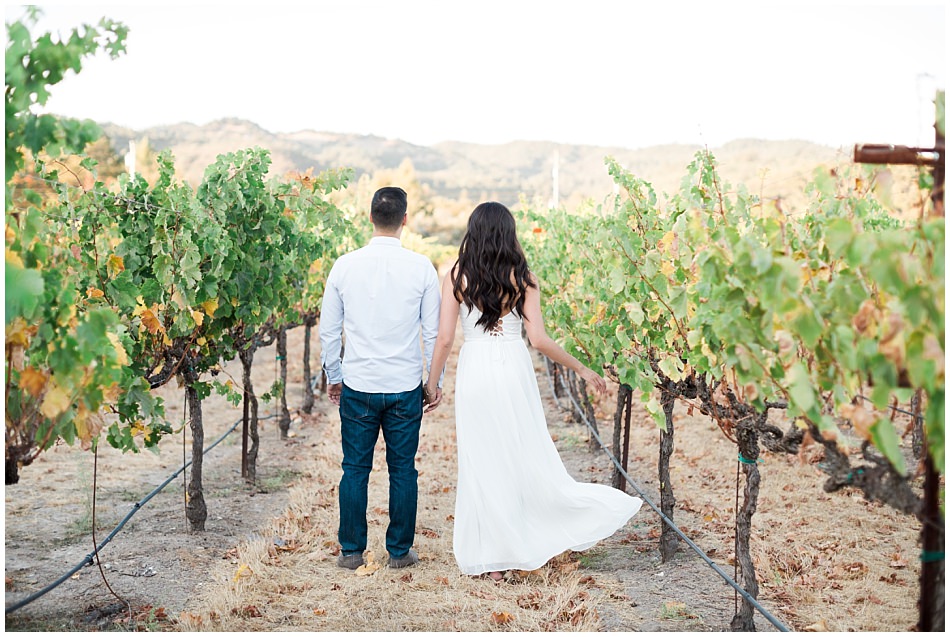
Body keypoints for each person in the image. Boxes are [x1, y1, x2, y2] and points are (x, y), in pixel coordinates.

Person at [425, 201, 642, 582]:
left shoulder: (456, 275)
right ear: (508, 233)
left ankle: (494, 557)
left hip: (475, 371)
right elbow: (538, 339)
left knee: (483, 458)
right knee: (520, 452)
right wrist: (581, 367)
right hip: (513, 368)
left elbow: (444, 339)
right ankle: (517, 543)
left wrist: (432, 383)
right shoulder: (523, 276)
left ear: (473, 231)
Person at [319, 186, 443, 571]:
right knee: (403, 469)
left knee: (354, 468)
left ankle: (352, 551)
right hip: (405, 386)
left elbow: (329, 330)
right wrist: (433, 382)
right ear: (405, 219)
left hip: (359, 385)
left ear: (369, 217)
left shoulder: (344, 265)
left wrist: (334, 375)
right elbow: (433, 333)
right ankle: (400, 552)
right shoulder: (422, 267)